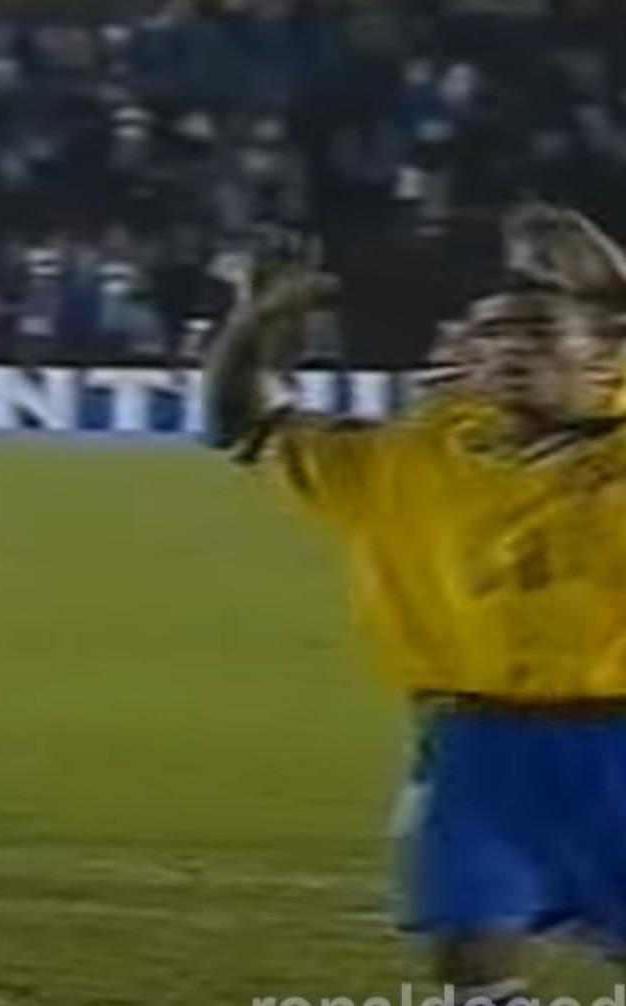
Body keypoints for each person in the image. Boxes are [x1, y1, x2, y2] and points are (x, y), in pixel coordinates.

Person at [203, 226, 626, 1004]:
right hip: (473, 743)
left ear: (603, 355)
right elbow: (244, 426)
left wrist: (615, 284)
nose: (511, 347)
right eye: (492, 332)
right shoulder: (412, 456)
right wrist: (253, 320)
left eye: (539, 331)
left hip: (616, 739)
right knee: (470, 955)